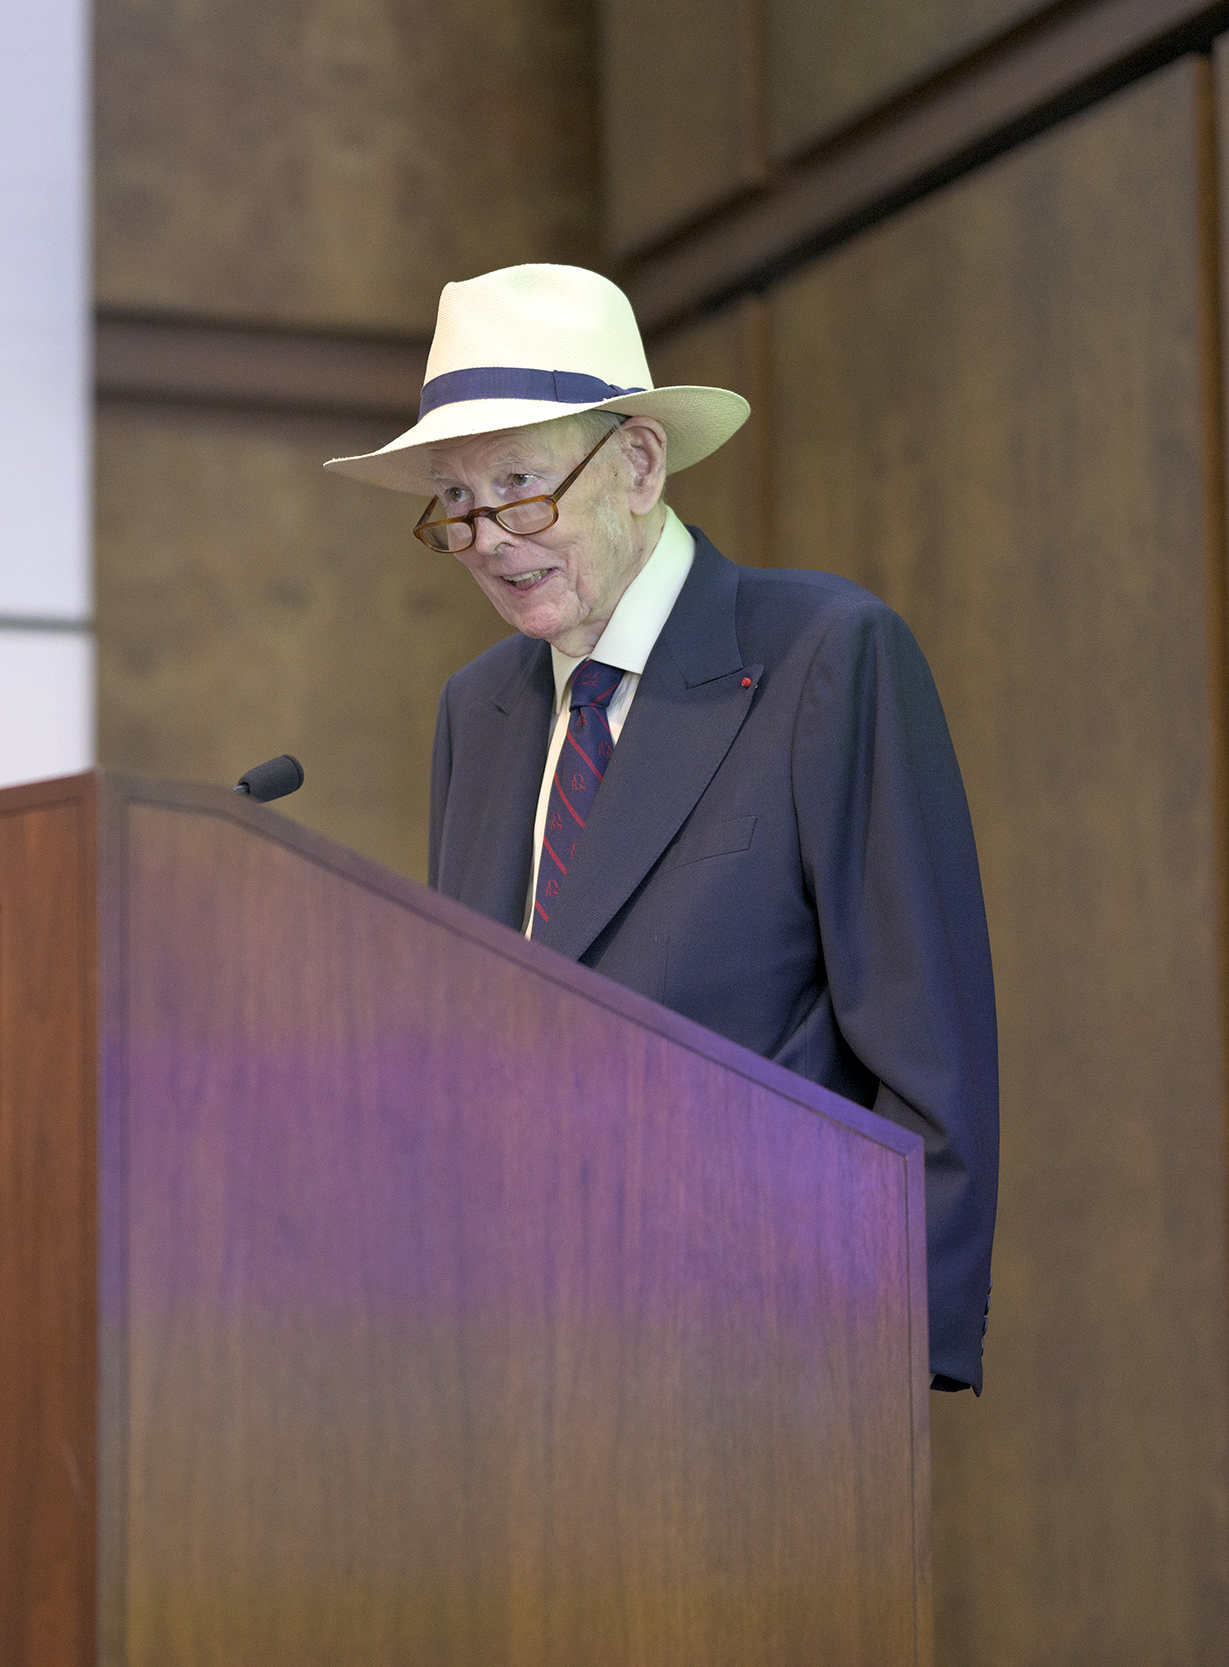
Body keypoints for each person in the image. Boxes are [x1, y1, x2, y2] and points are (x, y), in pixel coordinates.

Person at [325, 264, 998, 1391]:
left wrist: (891, 1362)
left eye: (521, 484)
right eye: (457, 501)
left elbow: (926, 1044)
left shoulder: (824, 652)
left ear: (637, 463)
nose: (489, 537)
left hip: (768, 1345)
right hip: (519, 1359)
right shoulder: (477, 710)